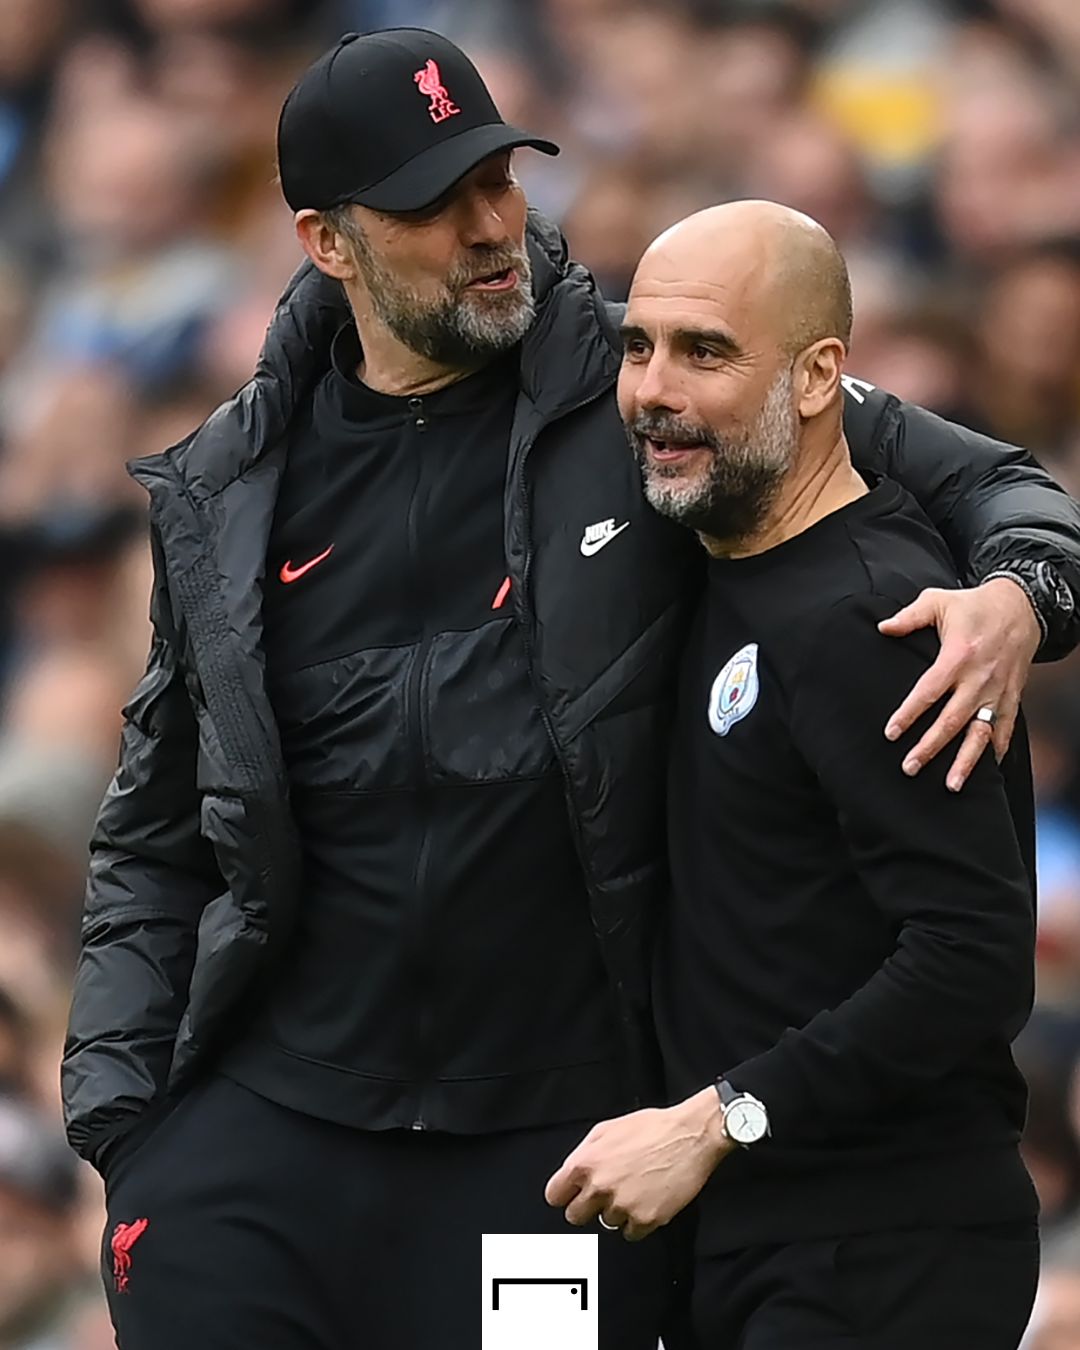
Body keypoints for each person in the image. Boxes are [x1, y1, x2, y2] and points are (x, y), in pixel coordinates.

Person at [60, 29, 1080, 1350]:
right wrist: (127, 1123)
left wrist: (1019, 595)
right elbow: (151, 827)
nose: (492, 227)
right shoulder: (229, 484)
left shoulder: (655, 376)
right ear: (328, 241)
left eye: (501, 178)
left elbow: (985, 478)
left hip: (554, 1151)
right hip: (270, 1138)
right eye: (436, 202)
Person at [545, 201, 1043, 1349]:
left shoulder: (876, 617)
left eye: (705, 352)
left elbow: (970, 960)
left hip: (879, 1247)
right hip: (758, 1240)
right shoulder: (712, 566)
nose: (653, 389)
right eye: (639, 346)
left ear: (822, 377)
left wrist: (721, 1119)